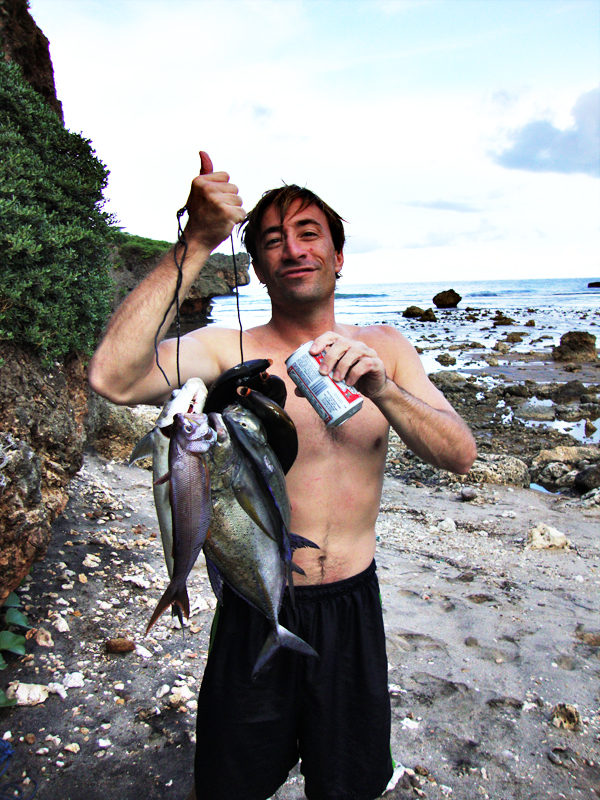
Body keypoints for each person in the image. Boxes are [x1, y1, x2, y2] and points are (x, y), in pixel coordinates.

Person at [88, 151, 477, 800]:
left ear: (338, 256)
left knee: (348, 785)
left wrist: (382, 389)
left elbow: (459, 454)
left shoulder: (386, 348)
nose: (293, 249)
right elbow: (112, 377)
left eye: (308, 233)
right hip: (253, 601)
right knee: (229, 784)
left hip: (353, 609)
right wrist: (196, 241)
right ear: (258, 266)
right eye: (272, 240)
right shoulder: (223, 349)